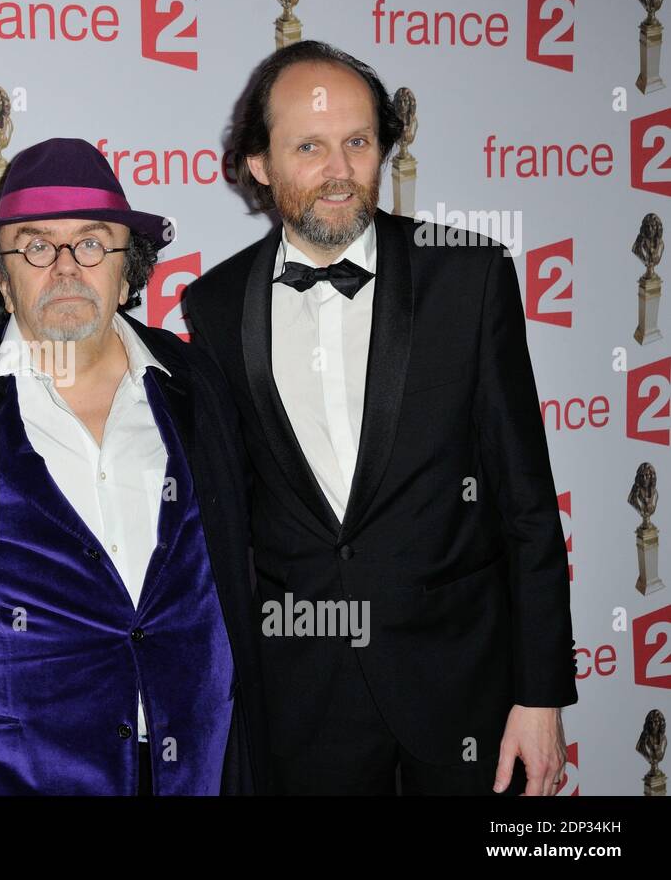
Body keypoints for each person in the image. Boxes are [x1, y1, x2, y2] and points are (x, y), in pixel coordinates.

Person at [183, 40, 577, 795]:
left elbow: (526, 503)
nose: (339, 171)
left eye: (358, 143)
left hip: (464, 691)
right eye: (309, 147)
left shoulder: (468, 276)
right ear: (259, 165)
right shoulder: (217, 304)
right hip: (302, 700)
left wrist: (541, 696)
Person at [0, 138, 270, 795]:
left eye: (91, 244)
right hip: (21, 775)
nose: (64, 267)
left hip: (193, 765)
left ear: (129, 270)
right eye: (34, 245)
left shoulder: (201, 386)